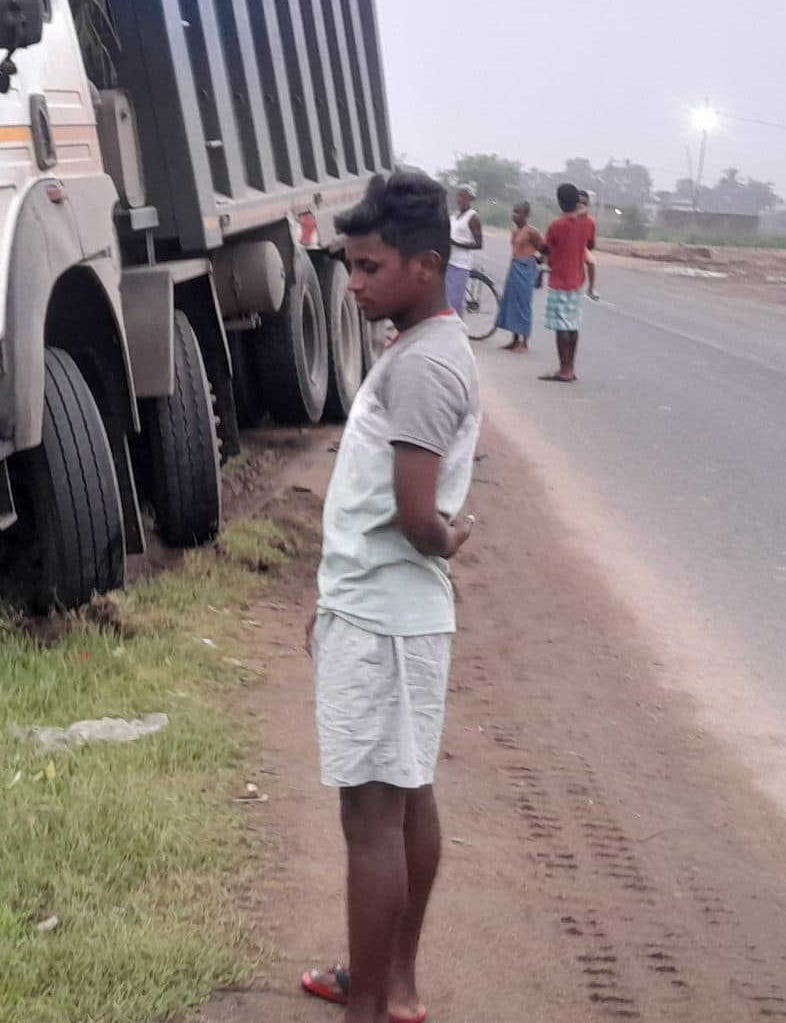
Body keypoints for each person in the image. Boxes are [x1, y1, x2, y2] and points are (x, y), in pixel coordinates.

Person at [299, 171, 481, 1023]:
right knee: (406, 797)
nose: (356, 282)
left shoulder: (420, 369)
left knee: (371, 822)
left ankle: (369, 1002)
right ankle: (391, 982)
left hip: (381, 620)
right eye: (350, 265)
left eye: (370, 266)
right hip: (387, 613)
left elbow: (414, 516)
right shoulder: (426, 351)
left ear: (427, 263)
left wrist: (448, 538)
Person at [537, 184, 598, 382]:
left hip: (560, 278)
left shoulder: (557, 225)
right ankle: (570, 367)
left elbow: (546, 248)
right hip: (578, 279)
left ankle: (564, 369)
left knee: (561, 326)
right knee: (572, 325)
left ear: (561, 201)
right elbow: (590, 245)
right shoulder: (588, 222)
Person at [496, 201, 544, 352]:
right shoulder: (515, 231)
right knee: (512, 303)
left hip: (526, 268)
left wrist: (539, 266)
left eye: (518, 212)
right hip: (515, 266)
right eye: (514, 212)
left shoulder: (532, 232)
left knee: (523, 304)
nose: (514, 215)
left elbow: (544, 250)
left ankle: (524, 341)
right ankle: (514, 339)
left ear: (526, 215)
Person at [445, 186, 482, 315]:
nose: (460, 199)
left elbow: (479, 244)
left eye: (463, 196)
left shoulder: (473, 217)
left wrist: (458, 243)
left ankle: (459, 330)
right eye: (458, 196)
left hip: (461, 264)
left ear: (470, 199)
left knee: (456, 302)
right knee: (446, 301)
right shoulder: (455, 215)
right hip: (449, 261)